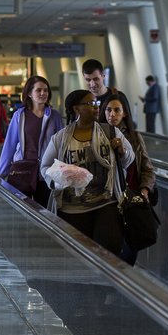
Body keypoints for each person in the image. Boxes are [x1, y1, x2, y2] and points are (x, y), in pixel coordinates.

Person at [40, 89, 134, 256]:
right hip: (72, 209)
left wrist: (122, 151)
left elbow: (128, 160)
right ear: (77, 109)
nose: (96, 107)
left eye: (97, 103)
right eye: (91, 104)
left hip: (106, 204)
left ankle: (106, 283)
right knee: (78, 258)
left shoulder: (110, 132)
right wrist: (59, 178)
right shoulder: (60, 138)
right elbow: (45, 167)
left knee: (107, 255)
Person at [101, 92, 157, 265]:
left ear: (124, 113)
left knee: (130, 249)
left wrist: (144, 190)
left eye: (117, 110)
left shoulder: (134, 137)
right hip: (107, 202)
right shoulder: (98, 135)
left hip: (131, 202)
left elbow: (147, 169)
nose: (112, 115)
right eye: (109, 110)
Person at [0, 75, 64, 206]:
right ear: (29, 93)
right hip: (23, 171)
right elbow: (9, 145)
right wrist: (1, 174)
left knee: (45, 211)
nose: (43, 93)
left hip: (46, 172)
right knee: (22, 208)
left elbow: (61, 145)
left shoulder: (54, 116)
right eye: (38, 90)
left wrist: (62, 171)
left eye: (46, 90)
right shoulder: (19, 116)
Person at [81, 58, 132, 124]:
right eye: (88, 80)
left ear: (103, 76)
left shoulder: (118, 96)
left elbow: (128, 123)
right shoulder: (82, 100)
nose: (92, 84)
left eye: (96, 79)